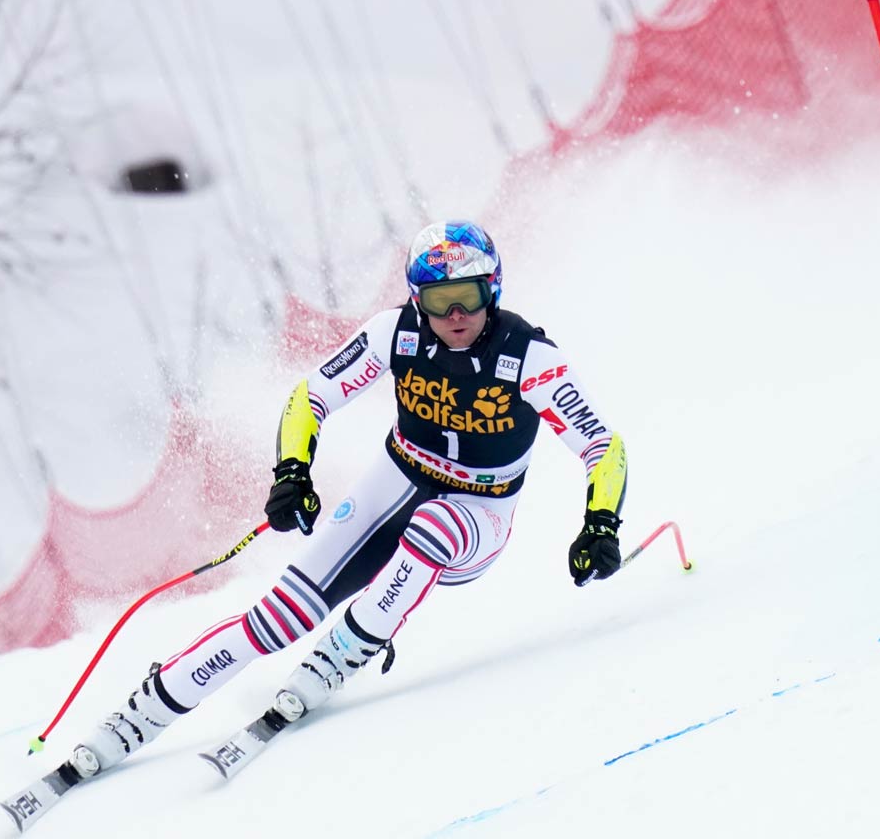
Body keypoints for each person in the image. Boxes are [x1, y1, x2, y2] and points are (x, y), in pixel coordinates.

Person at [66, 220, 629, 780]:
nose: (455, 316)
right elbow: (310, 396)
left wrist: (600, 523)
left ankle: (344, 651)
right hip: (395, 481)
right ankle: (142, 713)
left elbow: (603, 448)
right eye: (439, 301)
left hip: (478, 513)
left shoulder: (528, 357)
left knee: (434, 524)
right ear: (417, 300)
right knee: (280, 617)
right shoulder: (395, 334)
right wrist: (292, 471)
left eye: (469, 297)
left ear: (494, 290)